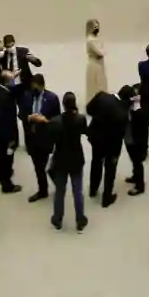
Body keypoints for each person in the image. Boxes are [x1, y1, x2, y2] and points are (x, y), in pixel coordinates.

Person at [46, 91, 89, 232]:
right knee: (78, 191)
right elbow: (85, 131)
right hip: (76, 158)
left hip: (61, 160)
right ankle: (80, 219)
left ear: (63, 105)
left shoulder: (56, 121)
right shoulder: (81, 119)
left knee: (59, 191)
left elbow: (50, 140)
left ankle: (57, 219)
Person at [19, 73, 59, 202]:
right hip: (31, 138)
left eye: (37, 87)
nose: (34, 90)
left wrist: (45, 120)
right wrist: (29, 117)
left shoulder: (52, 98)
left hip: (45, 138)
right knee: (38, 166)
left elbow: (57, 119)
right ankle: (43, 190)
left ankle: (57, 184)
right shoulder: (27, 96)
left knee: (46, 165)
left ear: (42, 86)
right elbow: (21, 114)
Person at [85, 84, 125, 208]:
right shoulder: (123, 113)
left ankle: (93, 189)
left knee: (96, 162)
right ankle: (106, 198)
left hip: (96, 138)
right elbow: (120, 135)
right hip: (111, 145)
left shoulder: (101, 96)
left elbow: (88, 109)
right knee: (110, 170)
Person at [0, 79, 22, 194]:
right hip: (8, 134)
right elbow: (9, 120)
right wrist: (12, 139)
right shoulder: (7, 98)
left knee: (1, 153)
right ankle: (7, 184)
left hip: (0, 131)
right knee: (8, 157)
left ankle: (1, 172)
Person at [121, 85, 149, 195]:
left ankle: (139, 185)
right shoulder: (129, 105)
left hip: (136, 139)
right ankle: (135, 176)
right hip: (129, 137)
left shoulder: (139, 111)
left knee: (137, 162)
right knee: (133, 160)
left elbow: (141, 125)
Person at [83, 18, 108, 101]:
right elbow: (100, 52)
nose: (97, 29)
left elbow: (104, 51)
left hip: (100, 65)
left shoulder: (97, 39)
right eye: (95, 26)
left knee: (101, 87)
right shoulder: (90, 40)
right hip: (94, 65)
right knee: (94, 89)